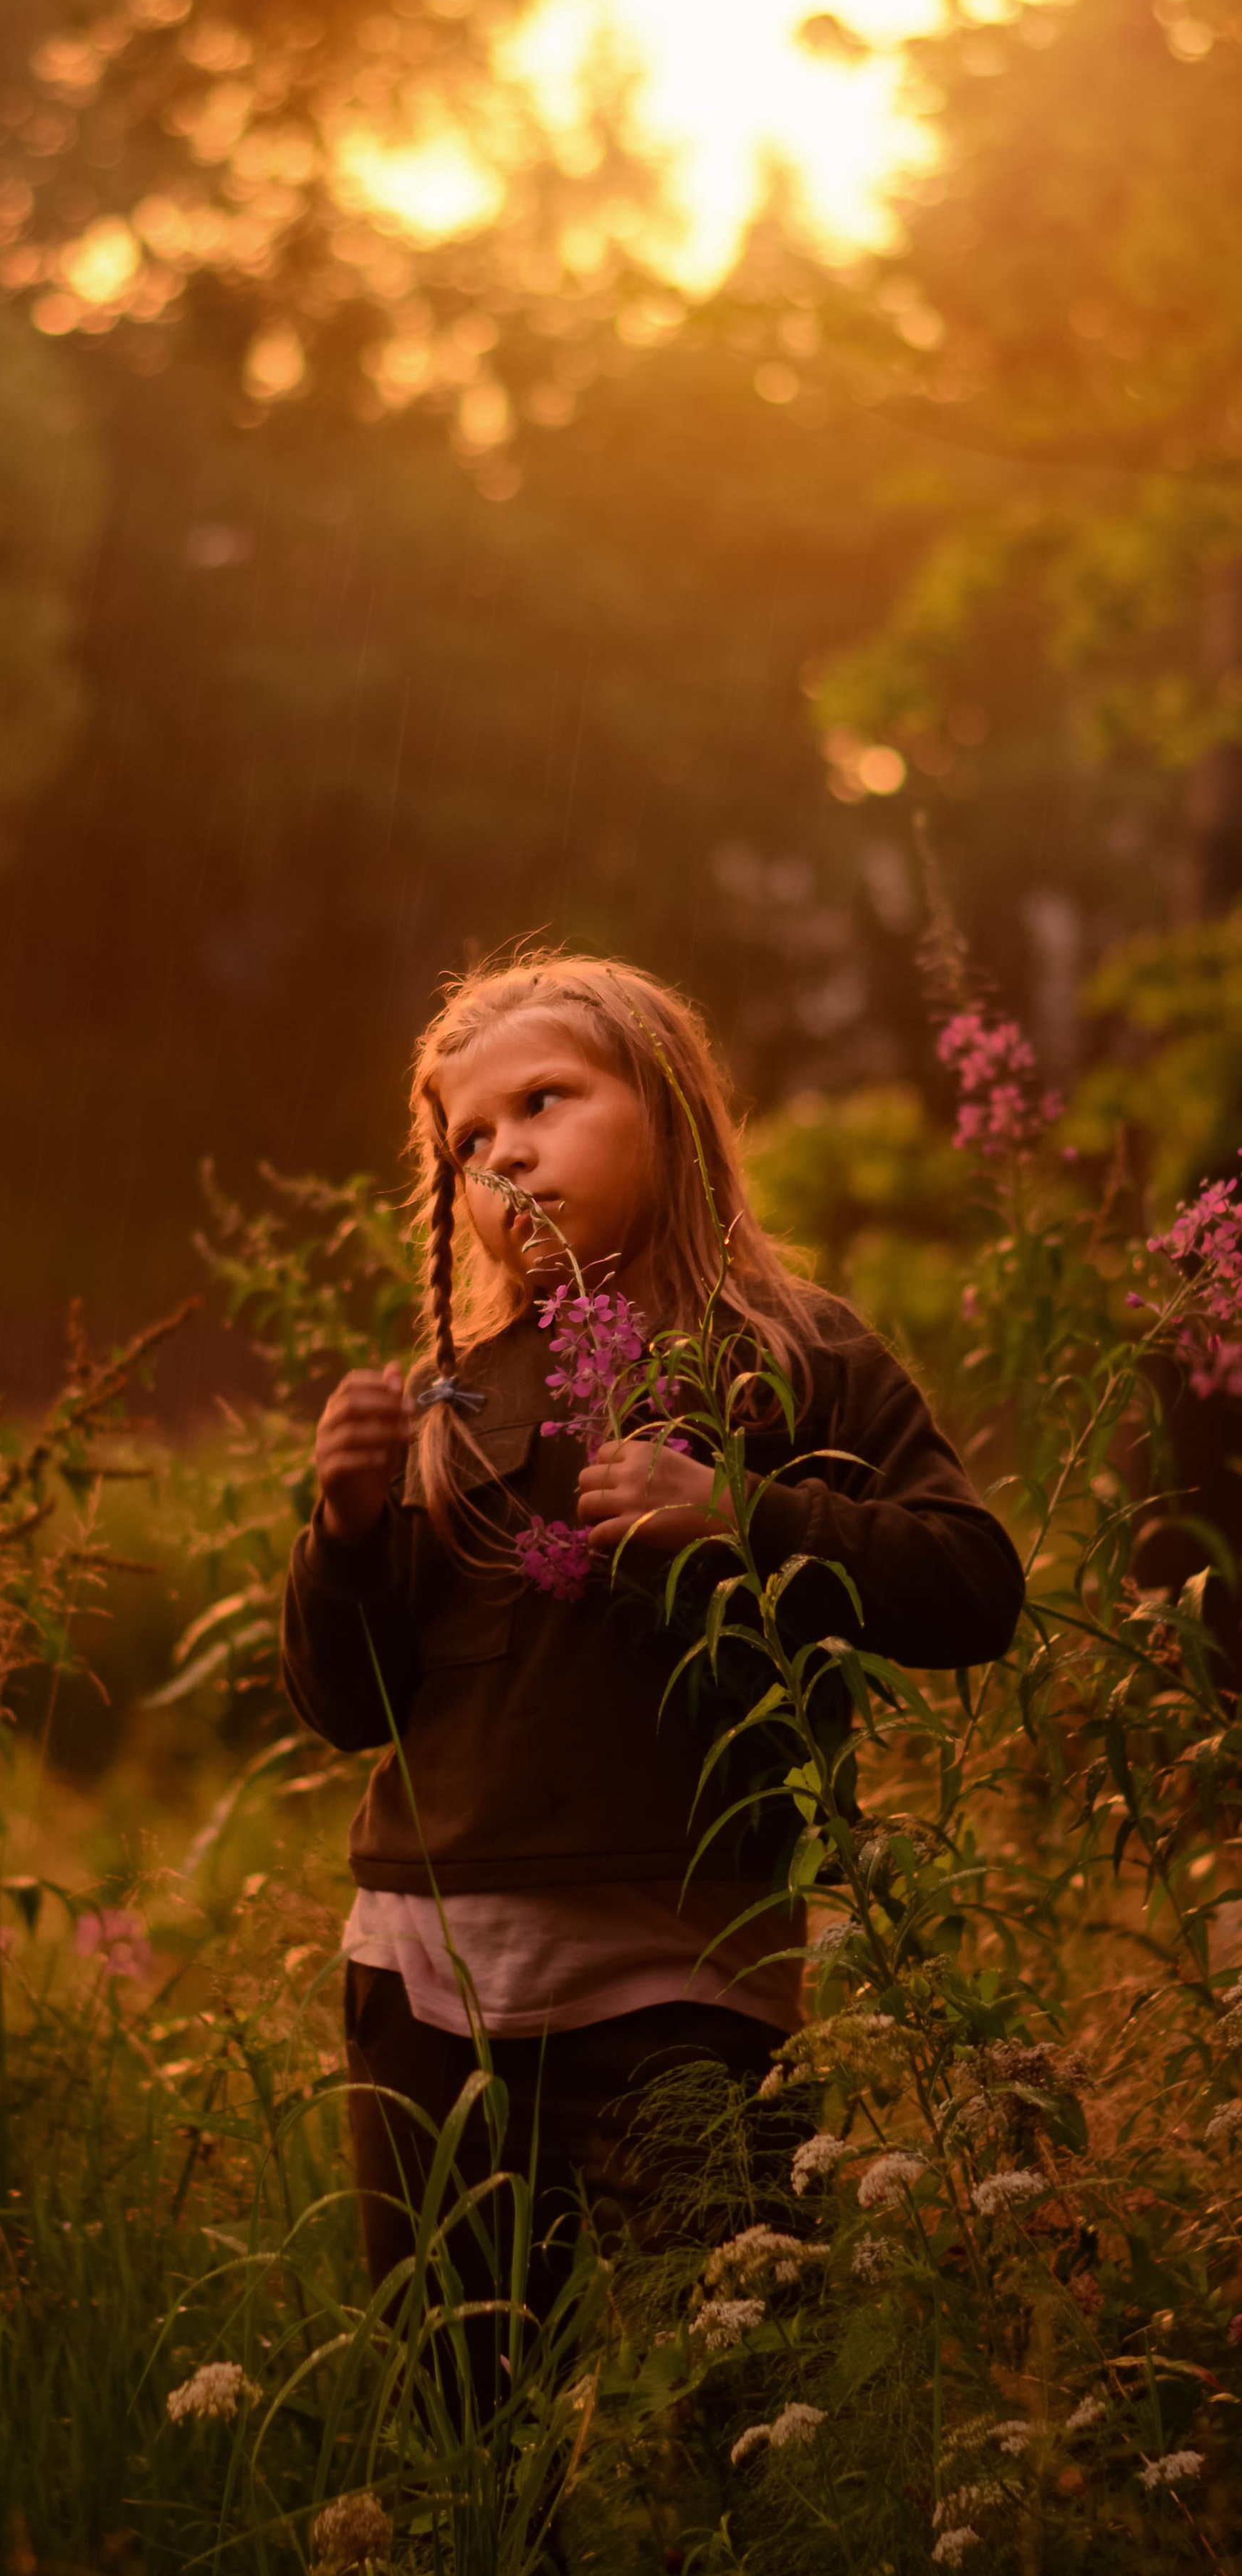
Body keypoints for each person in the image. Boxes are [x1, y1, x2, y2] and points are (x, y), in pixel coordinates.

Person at [280, 951, 1024, 2406]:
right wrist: (344, 1531)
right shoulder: (448, 1393)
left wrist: (743, 1520)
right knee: (463, 2418)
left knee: (741, 2410)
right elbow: (346, 1708)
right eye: (468, 1142)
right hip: (423, 1984)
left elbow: (970, 1586)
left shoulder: (791, 1353)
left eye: (542, 1103)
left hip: (679, 1974)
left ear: (668, 1110)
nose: (504, 1155)